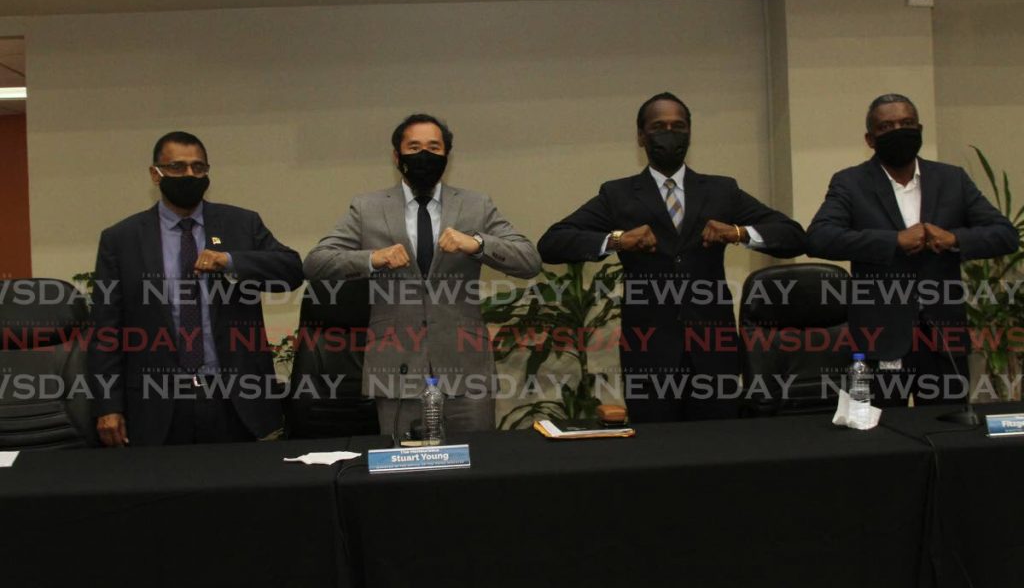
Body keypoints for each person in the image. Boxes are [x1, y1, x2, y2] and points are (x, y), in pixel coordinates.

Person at [537, 92, 806, 422]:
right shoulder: (618, 194)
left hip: (714, 352)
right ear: (641, 135)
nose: (669, 132)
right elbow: (552, 243)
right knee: (655, 456)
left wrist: (737, 233)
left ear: (689, 133)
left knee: (720, 454)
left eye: (678, 126)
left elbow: (793, 236)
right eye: (659, 126)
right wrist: (618, 240)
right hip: (649, 354)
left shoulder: (721, 190)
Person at [303, 113, 541, 436]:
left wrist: (477, 244)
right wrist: (374, 258)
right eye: (414, 147)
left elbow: (529, 260)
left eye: (433, 147)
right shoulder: (367, 207)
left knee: (475, 470)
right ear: (396, 156)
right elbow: (316, 263)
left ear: (446, 156)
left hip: (465, 369)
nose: (424, 156)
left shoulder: (476, 205)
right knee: (403, 476)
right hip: (396, 370)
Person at [88, 131, 303, 446]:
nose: (189, 175)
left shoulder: (241, 224)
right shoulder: (122, 239)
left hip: (234, 398)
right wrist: (107, 406)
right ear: (155, 174)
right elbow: (106, 329)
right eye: (177, 167)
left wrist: (230, 261)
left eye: (198, 168)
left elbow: (291, 270)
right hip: (156, 402)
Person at [807, 93, 1018, 406]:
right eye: (887, 126)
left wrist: (954, 239)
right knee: (879, 437)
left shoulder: (952, 179)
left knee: (949, 434)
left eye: (906, 124)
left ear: (919, 129)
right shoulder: (851, 183)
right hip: (880, 339)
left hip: (944, 338)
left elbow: (1005, 235)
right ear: (870, 139)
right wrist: (893, 241)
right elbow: (819, 238)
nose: (899, 131)